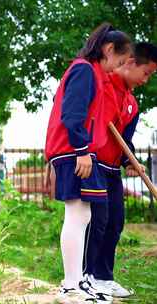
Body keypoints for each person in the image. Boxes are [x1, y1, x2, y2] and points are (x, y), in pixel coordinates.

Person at [45, 22, 132, 303]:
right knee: (77, 213)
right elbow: (73, 114)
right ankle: (71, 284)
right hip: (72, 150)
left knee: (84, 215)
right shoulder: (84, 69)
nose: (117, 67)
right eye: (119, 60)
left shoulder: (92, 72)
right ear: (108, 49)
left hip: (79, 150)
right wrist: (82, 150)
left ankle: (77, 281)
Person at [84, 42, 157, 298]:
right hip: (92, 164)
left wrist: (130, 161)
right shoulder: (101, 86)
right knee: (98, 222)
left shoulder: (132, 104)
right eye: (146, 73)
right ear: (130, 62)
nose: (146, 80)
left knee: (115, 222)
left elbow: (125, 140)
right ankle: (87, 276)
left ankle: (104, 277)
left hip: (113, 169)